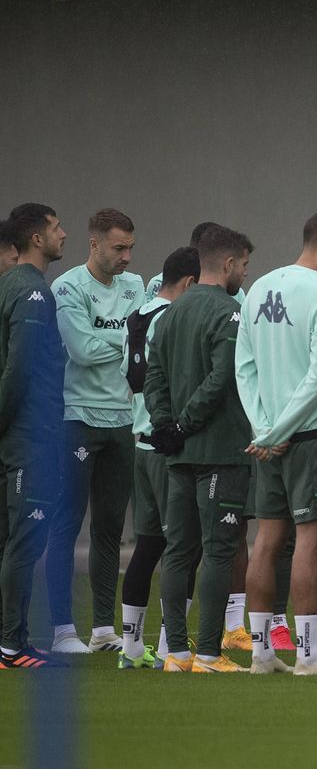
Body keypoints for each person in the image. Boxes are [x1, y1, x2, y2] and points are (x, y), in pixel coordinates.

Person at [235, 211, 317, 677]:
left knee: (267, 540)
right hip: (312, 436)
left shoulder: (258, 289)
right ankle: (308, 655)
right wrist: (280, 431)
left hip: (268, 439)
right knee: (312, 541)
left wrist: (264, 428)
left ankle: (261, 654)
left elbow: (244, 369)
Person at [145, 226, 256, 673]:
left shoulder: (169, 312)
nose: (245, 274)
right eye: (244, 265)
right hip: (219, 450)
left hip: (178, 452)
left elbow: (153, 375)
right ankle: (209, 652)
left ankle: (175, 654)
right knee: (218, 550)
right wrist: (185, 423)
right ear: (227, 264)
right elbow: (221, 377)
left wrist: (165, 426)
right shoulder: (229, 312)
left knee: (178, 550)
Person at [44, 208, 143, 654]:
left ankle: (104, 628)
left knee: (110, 528)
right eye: (118, 248)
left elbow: (139, 344)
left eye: (130, 248)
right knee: (66, 525)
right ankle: (62, 629)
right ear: (95, 244)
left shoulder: (135, 285)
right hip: (77, 418)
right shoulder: (66, 287)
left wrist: (120, 346)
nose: (126, 257)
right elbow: (81, 350)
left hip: (123, 420)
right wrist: (128, 346)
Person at [116, 246, 200, 669]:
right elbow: (173, 377)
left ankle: (130, 650)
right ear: (188, 283)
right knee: (183, 547)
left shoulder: (136, 315)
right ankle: (171, 645)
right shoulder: (174, 318)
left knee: (148, 544)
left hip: (139, 442)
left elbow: (129, 375)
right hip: (167, 446)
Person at [0, 203, 68, 668]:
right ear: (36, 239)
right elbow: (18, 372)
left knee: (16, 539)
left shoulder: (14, 285)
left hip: (25, 435)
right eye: (56, 227)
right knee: (25, 541)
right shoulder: (33, 293)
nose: (62, 234)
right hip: (29, 439)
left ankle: (14, 638)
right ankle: (10, 646)